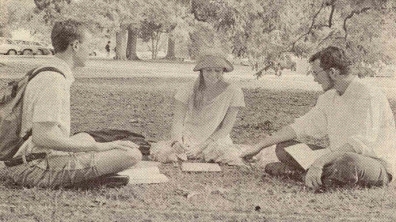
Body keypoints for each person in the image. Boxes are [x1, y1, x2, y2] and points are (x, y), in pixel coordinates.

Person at [5, 20, 142, 188]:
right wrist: (100, 147)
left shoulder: (47, 70)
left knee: (85, 137)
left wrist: (90, 145)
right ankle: (87, 180)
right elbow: (43, 136)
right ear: (75, 45)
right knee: (131, 155)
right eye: (89, 45)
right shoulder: (53, 80)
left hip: (33, 156)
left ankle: (89, 173)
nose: (90, 51)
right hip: (34, 167)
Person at [242, 46, 396, 190]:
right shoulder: (329, 97)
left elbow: (359, 144)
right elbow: (300, 127)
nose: (314, 79)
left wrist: (319, 163)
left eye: (316, 73)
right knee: (283, 148)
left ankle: (299, 174)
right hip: (334, 157)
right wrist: (260, 145)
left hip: (372, 164)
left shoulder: (369, 95)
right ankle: (323, 176)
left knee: (348, 161)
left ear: (333, 72)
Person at [150, 55, 247, 165]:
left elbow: (226, 128)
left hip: (215, 139)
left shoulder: (234, 91)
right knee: (164, 153)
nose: (213, 74)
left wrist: (202, 147)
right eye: (208, 70)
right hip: (190, 136)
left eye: (217, 71)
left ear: (223, 71)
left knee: (230, 156)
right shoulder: (187, 89)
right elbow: (177, 121)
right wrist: (177, 141)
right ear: (201, 71)